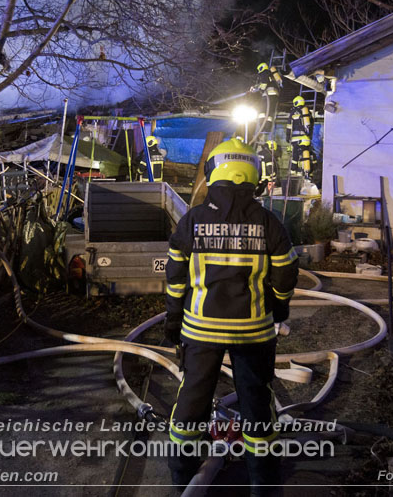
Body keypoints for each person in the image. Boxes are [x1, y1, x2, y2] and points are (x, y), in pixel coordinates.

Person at [164, 137, 299, 495]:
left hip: (200, 330)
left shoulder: (191, 221)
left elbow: (175, 280)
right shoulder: (269, 222)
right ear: (254, 174)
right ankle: (262, 483)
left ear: (213, 173)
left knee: (192, 400)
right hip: (253, 332)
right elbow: (286, 274)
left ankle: (183, 478)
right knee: (256, 402)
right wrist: (279, 308)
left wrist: (173, 322)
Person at [288, 96, 313, 177]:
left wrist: (288, 136)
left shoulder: (293, 111)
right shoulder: (306, 111)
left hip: (295, 138)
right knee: (303, 155)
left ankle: (293, 170)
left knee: (295, 155)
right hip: (305, 138)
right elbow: (310, 124)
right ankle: (303, 171)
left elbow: (289, 125)